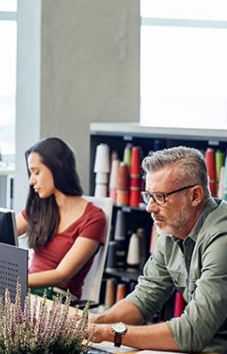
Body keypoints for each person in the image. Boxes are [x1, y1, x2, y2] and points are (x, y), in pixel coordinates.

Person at [91, 147, 227, 352]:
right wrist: (94, 322)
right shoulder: (173, 232)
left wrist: (105, 333)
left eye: (160, 197)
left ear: (195, 195)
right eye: (149, 196)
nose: (150, 207)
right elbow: (144, 298)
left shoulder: (221, 239)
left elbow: (192, 332)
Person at [15, 137, 107, 299]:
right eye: (31, 173)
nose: (31, 180)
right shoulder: (40, 208)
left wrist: (14, 281)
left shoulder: (94, 219)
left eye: (37, 172)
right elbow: (2, 231)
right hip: (28, 293)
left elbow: (62, 275)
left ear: (57, 168)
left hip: (59, 300)